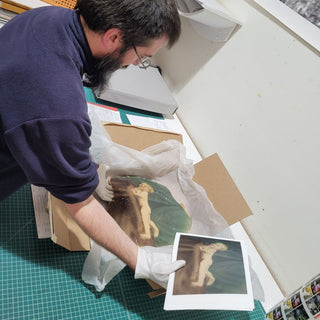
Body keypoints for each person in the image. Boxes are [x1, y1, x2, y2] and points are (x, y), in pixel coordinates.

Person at [0, 0, 184, 288]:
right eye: (142, 56)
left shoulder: (50, 17)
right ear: (113, 37)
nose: (136, 64)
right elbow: (81, 205)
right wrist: (141, 260)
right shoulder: (59, 110)